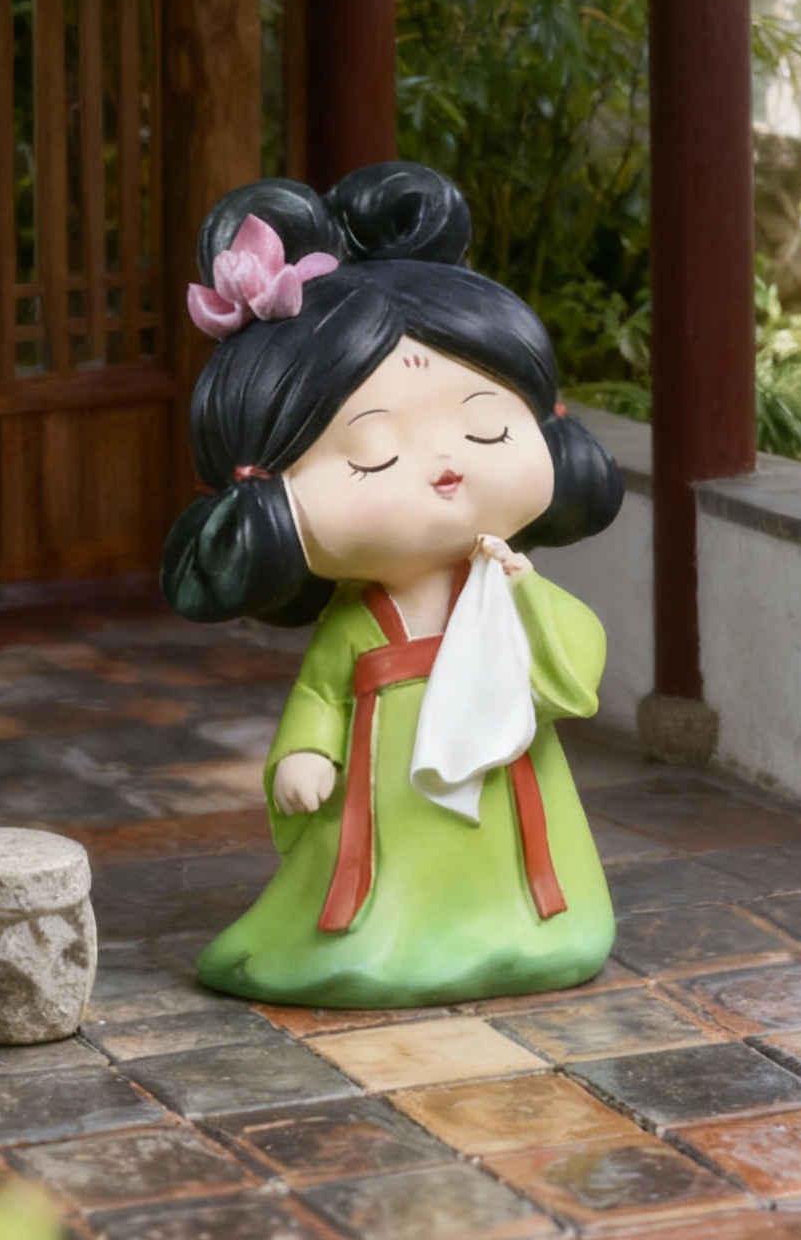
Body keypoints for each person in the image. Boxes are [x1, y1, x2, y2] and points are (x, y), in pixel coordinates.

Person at [162, 162, 626, 1008]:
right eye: (374, 452)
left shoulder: (499, 579)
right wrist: (307, 752)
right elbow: (322, 694)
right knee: (382, 889)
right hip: (385, 795)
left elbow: (573, 668)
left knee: (521, 865)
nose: (446, 464)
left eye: (487, 426)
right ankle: (378, 942)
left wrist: (524, 593)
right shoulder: (359, 620)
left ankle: (533, 930)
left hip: (508, 791)